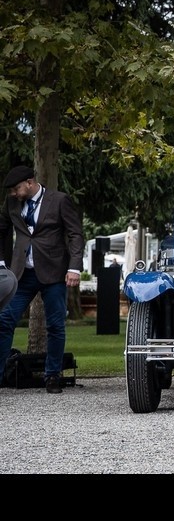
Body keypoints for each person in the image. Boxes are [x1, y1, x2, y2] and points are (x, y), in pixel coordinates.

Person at [0, 164, 85, 394]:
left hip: (55, 272)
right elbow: (2, 231)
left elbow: (75, 234)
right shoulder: (12, 204)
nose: (14, 194)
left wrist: (74, 268)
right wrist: (1, 263)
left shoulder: (59, 200)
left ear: (30, 182)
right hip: (22, 274)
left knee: (55, 326)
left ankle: (52, 376)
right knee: (5, 320)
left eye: (17, 188)